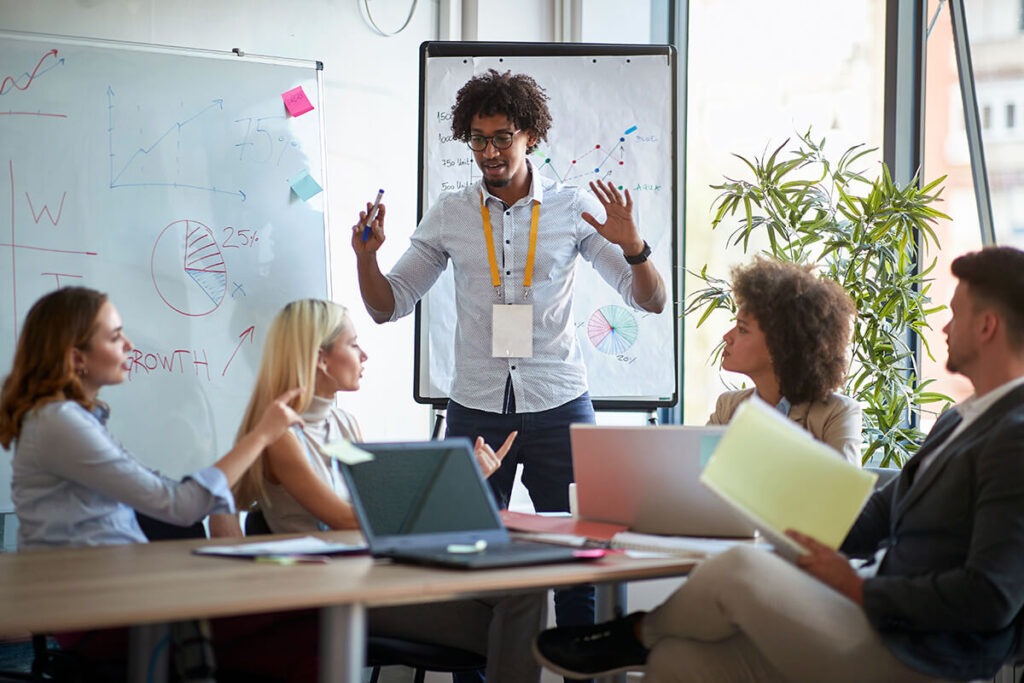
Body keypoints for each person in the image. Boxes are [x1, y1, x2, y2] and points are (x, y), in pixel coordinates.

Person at [532, 245, 1024, 683]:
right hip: (880, 619)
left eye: (955, 314)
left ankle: (629, 634)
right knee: (678, 662)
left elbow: (990, 597)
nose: (944, 325)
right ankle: (635, 640)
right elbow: (871, 518)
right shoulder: (959, 420)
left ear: (987, 327)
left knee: (740, 568)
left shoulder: (1014, 436)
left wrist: (856, 587)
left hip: (925, 653)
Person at [352, 68, 667, 634]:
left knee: (580, 562)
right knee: (464, 560)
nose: (489, 152)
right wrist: (366, 259)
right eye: (477, 139)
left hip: (559, 402)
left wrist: (637, 249)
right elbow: (387, 306)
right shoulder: (450, 212)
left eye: (501, 137)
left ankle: (576, 669)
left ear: (529, 136)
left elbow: (651, 301)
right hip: (475, 406)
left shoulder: (572, 210)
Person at [210, 298, 546, 683]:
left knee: (526, 589)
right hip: (335, 588)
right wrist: (452, 490)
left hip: (375, 572)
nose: (364, 354)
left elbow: (376, 505)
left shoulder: (343, 423)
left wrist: (462, 482)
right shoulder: (282, 435)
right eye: (353, 345)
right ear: (321, 359)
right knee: (513, 630)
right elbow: (344, 518)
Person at [0, 286, 308, 680]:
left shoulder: (70, 419)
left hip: (114, 602)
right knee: (300, 628)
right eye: (114, 337)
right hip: (105, 615)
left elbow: (171, 500)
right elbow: (182, 506)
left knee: (297, 631)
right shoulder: (61, 423)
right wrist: (261, 435)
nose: (129, 344)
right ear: (77, 358)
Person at [709, 257, 861, 463]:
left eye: (742, 329)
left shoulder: (836, 414)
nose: (727, 336)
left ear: (779, 345)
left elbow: (845, 493)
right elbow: (697, 480)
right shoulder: (727, 408)